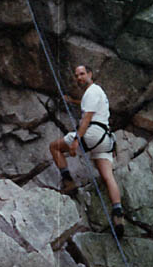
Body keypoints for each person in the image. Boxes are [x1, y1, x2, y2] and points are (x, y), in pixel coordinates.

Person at [49, 65, 123, 236]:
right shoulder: (98, 92)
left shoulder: (90, 92)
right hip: (106, 139)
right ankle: (118, 213)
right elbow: (90, 108)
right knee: (108, 176)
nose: (79, 78)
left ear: (90, 74)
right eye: (76, 76)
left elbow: (87, 118)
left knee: (54, 147)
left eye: (82, 74)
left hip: (92, 133)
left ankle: (68, 182)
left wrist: (76, 140)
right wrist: (73, 102)